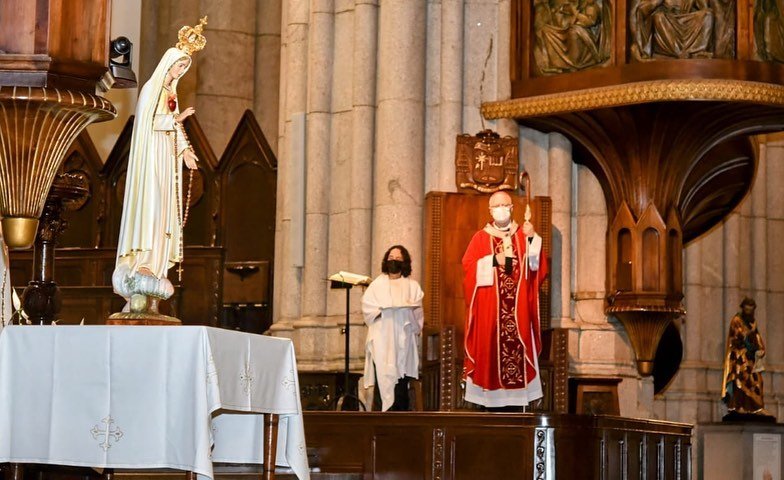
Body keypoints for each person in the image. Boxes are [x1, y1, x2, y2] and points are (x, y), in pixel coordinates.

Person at [112, 18, 206, 305]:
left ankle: (156, 265)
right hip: (152, 159)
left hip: (167, 161)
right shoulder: (152, 90)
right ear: (168, 64)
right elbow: (150, 123)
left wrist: (186, 152)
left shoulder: (171, 94)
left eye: (184, 68)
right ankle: (143, 262)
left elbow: (175, 130)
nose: (180, 71)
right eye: (178, 66)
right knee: (151, 209)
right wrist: (177, 119)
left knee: (164, 211)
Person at [462, 191, 548, 409]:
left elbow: (536, 269)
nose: (501, 209)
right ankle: (488, 402)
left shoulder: (523, 234)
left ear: (511, 208)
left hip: (517, 313)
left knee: (518, 349)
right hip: (490, 314)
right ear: (490, 211)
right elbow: (468, 268)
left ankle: (518, 402)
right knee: (490, 351)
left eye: (504, 205)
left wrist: (532, 238)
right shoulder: (480, 238)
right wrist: (493, 259)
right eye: (496, 206)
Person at [362, 245, 424, 411]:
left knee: (400, 382)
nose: (394, 261)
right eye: (391, 258)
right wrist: (386, 312)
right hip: (381, 339)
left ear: (404, 262)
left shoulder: (412, 286)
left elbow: (418, 315)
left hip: (402, 340)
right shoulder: (376, 286)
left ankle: (400, 418)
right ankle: (381, 418)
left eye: (397, 258)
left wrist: (403, 311)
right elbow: (368, 310)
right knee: (382, 376)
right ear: (385, 261)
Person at [721, 297, 771, 418]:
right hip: (738, 358)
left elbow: (757, 338)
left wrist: (760, 348)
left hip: (750, 357)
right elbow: (736, 337)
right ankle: (738, 407)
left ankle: (756, 408)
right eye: (747, 310)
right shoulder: (737, 320)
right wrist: (750, 332)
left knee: (758, 381)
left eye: (751, 310)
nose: (749, 312)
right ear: (743, 308)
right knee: (740, 381)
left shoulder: (752, 322)